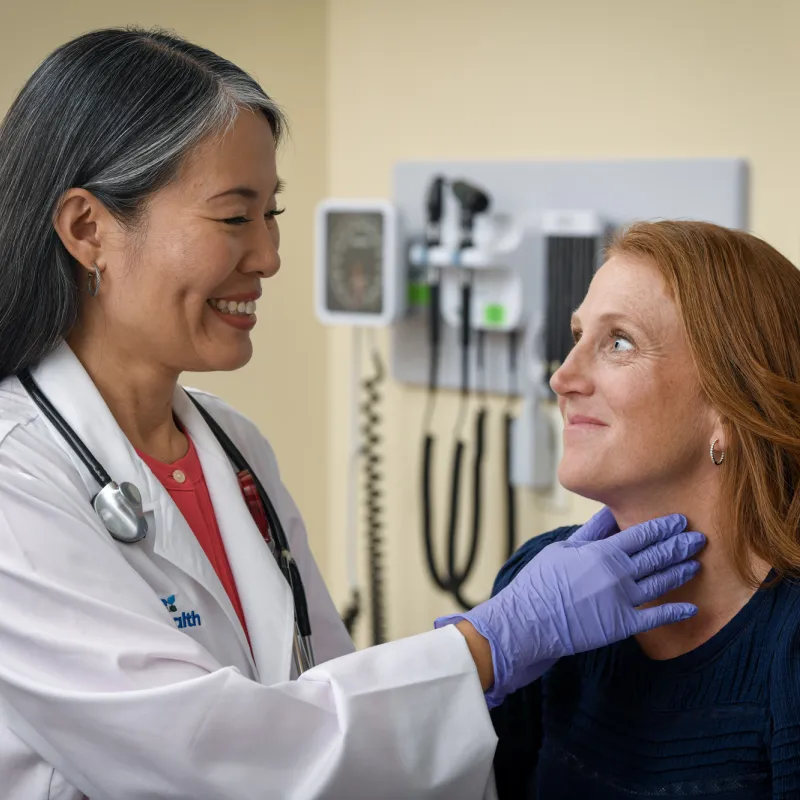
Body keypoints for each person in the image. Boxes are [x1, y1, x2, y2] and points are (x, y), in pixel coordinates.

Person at [0, 29, 706, 800]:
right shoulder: (16, 476)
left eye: (271, 214)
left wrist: (483, 660)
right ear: (86, 229)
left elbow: (329, 704)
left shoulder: (235, 449)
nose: (269, 255)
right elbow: (203, 761)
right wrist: (489, 645)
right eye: (235, 218)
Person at [478, 220, 800, 799]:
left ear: (729, 406)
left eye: (618, 342)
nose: (562, 378)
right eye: (575, 335)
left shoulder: (789, 647)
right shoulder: (539, 588)